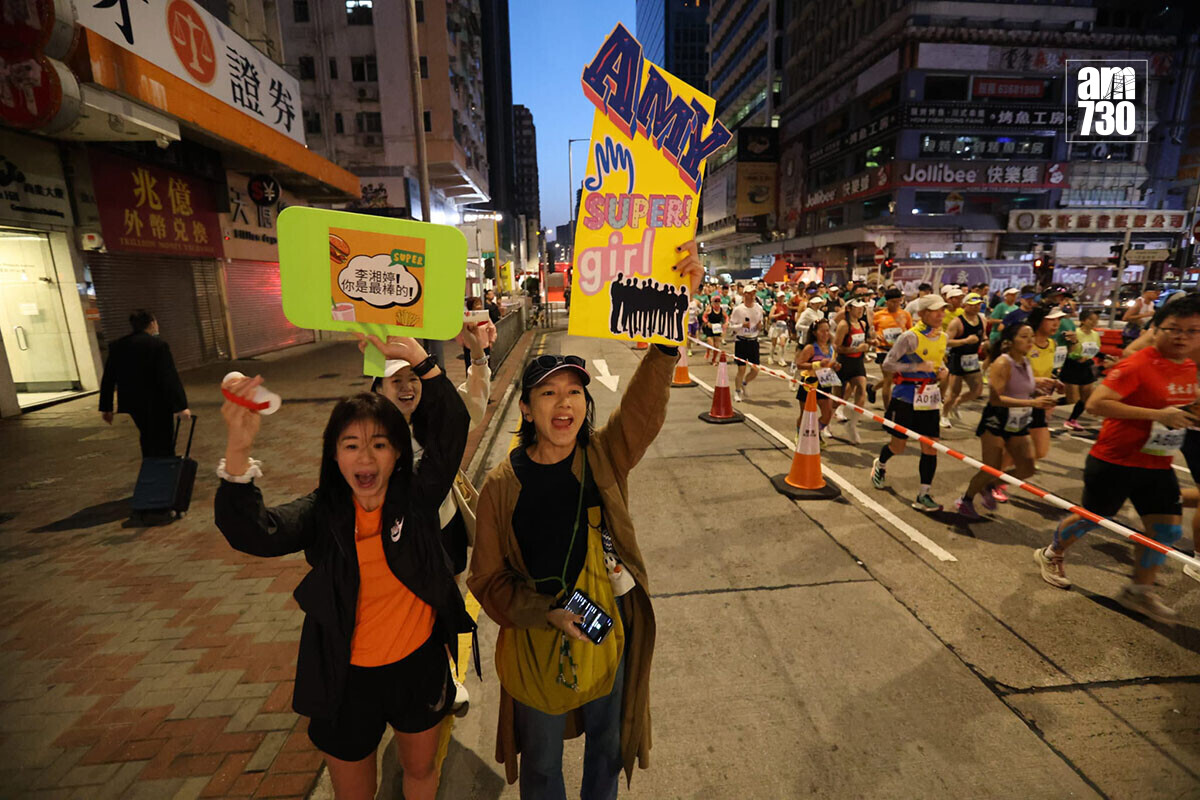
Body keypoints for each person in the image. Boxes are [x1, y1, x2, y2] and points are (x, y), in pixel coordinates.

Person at [468, 242, 701, 799]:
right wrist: (544, 613)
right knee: (543, 767)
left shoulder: (601, 455)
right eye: (548, 393)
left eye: (574, 392)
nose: (564, 404)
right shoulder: (502, 486)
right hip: (536, 642)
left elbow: (643, 409)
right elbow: (487, 580)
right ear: (526, 408)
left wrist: (670, 328)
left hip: (606, 630)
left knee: (608, 746)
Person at [214, 337, 474, 800]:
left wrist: (423, 361)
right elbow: (256, 532)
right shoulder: (323, 514)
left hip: (418, 665)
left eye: (380, 444)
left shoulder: (414, 500)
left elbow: (453, 430)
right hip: (344, 678)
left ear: (399, 453)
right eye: (351, 445)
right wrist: (238, 448)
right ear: (334, 456)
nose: (366, 458)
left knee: (419, 772)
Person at [1034, 294, 1200, 624]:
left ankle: (1138, 592)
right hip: (1115, 459)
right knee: (1093, 517)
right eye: (1174, 329)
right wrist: (1156, 413)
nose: (1183, 337)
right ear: (1156, 329)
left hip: (1157, 463)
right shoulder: (1136, 364)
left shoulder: (1190, 368)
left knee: (1166, 531)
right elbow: (1096, 404)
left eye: (1192, 330)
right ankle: (1051, 553)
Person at [954, 323, 1058, 519]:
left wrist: (1042, 384)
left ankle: (990, 486)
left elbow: (1023, 386)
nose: (1030, 341)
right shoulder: (1002, 363)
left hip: (1019, 421)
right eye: (1024, 337)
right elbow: (996, 399)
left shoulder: (1026, 361)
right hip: (996, 420)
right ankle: (965, 500)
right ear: (1010, 341)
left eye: (1031, 336)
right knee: (990, 468)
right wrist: (1033, 402)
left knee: (1027, 469)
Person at [873, 294, 950, 512]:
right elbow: (888, 364)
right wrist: (916, 368)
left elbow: (938, 361)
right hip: (905, 398)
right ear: (923, 313)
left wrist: (943, 370)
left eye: (943, 310)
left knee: (931, 447)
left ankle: (924, 494)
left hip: (929, 400)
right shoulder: (909, 337)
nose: (941, 314)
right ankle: (880, 465)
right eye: (936, 310)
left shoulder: (942, 337)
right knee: (898, 446)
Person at [99, 309, 190, 458]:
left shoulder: (118, 345)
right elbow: (169, 377)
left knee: (146, 434)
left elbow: (108, 377)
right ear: (152, 324)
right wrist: (181, 406)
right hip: (159, 402)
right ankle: (164, 469)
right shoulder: (158, 345)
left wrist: (106, 407)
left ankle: (150, 465)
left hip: (134, 403)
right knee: (164, 439)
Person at [1023, 306, 1066, 463]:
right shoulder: (1023, 343)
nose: (1056, 324)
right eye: (1051, 320)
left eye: (1058, 320)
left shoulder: (1052, 344)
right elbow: (1005, 375)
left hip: (1039, 402)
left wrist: (1055, 381)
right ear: (1039, 320)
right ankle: (992, 481)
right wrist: (1034, 382)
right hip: (1018, 402)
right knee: (1013, 449)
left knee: (1040, 451)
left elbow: (1046, 371)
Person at [942, 292, 986, 426]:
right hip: (957, 358)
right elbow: (946, 342)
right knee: (954, 391)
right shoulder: (957, 322)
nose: (976, 308)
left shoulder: (982, 319)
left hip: (972, 359)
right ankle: (944, 414)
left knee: (977, 389)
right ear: (965, 305)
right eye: (973, 305)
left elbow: (983, 336)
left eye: (978, 305)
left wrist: (984, 343)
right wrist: (965, 341)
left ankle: (957, 404)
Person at [832, 299, 871, 443]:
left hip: (857, 363)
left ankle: (852, 424)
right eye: (857, 308)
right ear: (849, 309)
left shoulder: (863, 324)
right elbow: (837, 346)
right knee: (838, 398)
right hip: (843, 362)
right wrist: (855, 349)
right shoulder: (844, 325)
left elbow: (863, 341)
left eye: (862, 308)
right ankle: (825, 424)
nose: (861, 311)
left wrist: (871, 343)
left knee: (862, 391)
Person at [794, 318, 839, 442]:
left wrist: (835, 366)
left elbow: (830, 363)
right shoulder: (810, 348)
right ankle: (800, 433)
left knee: (827, 414)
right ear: (814, 332)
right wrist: (817, 364)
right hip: (810, 383)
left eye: (827, 331)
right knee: (805, 414)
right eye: (822, 331)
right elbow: (799, 364)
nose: (825, 334)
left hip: (825, 383)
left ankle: (815, 432)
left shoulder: (831, 347)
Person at [867, 287, 912, 409]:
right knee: (888, 379)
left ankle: (873, 388)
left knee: (894, 377)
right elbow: (870, 331)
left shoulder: (905, 314)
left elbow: (910, 330)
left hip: (900, 350)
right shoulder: (878, 315)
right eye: (893, 302)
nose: (896, 304)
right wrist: (875, 336)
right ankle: (888, 410)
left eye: (899, 301)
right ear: (886, 301)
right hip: (883, 349)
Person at [1062, 308, 1104, 431]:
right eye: (1090, 319)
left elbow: (1096, 350)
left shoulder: (1095, 335)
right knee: (1072, 399)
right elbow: (1068, 350)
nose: (1093, 322)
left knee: (1086, 398)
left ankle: (1071, 420)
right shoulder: (1075, 332)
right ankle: (1046, 405)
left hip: (1086, 366)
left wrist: (1106, 357)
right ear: (1083, 320)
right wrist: (1077, 356)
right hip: (1072, 365)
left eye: (1096, 320)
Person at [729, 285, 764, 402]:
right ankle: (737, 391)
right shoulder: (738, 309)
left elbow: (760, 324)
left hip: (753, 341)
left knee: (755, 370)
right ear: (744, 295)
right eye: (749, 293)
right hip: (741, 341)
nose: (752, 295)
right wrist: (741, 326)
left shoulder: (758, 308)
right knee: (741, 369)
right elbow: (731, 326)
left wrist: (760, 327)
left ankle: (745, 382)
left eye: (754, 293)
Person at [462, 297, 498, 365]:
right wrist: (463, 342)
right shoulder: (466, 317)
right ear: (471, 306)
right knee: (471, 367)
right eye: (476, 304)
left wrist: (491, 341)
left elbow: (492, 329)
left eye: (480, 304)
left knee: (485, 367)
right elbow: (461, 331)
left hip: (484, 346)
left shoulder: (484, 316)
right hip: (470, 347)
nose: (479, 306)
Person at [700, 295, 728, 365]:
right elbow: (703, 317)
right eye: (716, 301)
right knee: (710, 343)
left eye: (718, 301)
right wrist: (707, 322)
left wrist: (726, 323)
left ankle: (714, 359)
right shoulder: (709, 309)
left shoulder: (721, 310)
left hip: (717, 327)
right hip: (710, 327)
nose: (717, 303)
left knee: (717, 346)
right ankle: (708, 352)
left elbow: (726, 317)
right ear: (712, 302)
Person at [767, 293, 792, 366]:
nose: (782, 298)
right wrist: (778, 315)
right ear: (777, 298)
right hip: (776, 325)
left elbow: (787, 314)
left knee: (782, 343)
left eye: (783, 297)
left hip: (783, 325)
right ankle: (770, 357)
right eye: (780, 297)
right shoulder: (775, 306)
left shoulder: (785, 306)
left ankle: (781, 359)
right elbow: (770, 316)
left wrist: (787, 317)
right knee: (774, 343)